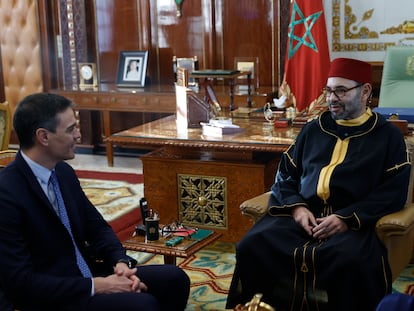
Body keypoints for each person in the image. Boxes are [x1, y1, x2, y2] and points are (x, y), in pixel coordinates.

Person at [226, 58, 412, 311]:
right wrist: (297, 208)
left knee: (352, 262)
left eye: (341, 91)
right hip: (302, 217)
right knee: (253, 244)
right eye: (328, 90)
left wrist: (346, 218)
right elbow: (285, 175)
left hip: (352, 225)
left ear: (366, 91)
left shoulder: (387, 135)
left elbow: (393, 192)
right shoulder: (314, 128)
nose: (332, 98)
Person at [0, 93, 190, 311]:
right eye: (71, 129)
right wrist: (97, 286)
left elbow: (97, 228)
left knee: (175, 280)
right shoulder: (7, 193)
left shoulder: (63, 172)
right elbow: (20, 283)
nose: (79, 135)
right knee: (143, 304)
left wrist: (120, 264)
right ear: (43, 137)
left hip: (88, 272)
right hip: (53, 294)